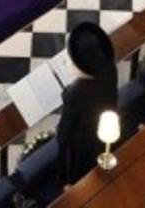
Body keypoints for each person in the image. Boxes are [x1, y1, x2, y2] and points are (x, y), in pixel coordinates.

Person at [55, 22, 117, 186]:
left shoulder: (75, 93)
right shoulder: (108, 69)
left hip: (84, 147)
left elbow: (63, 135)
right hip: (104, 128)